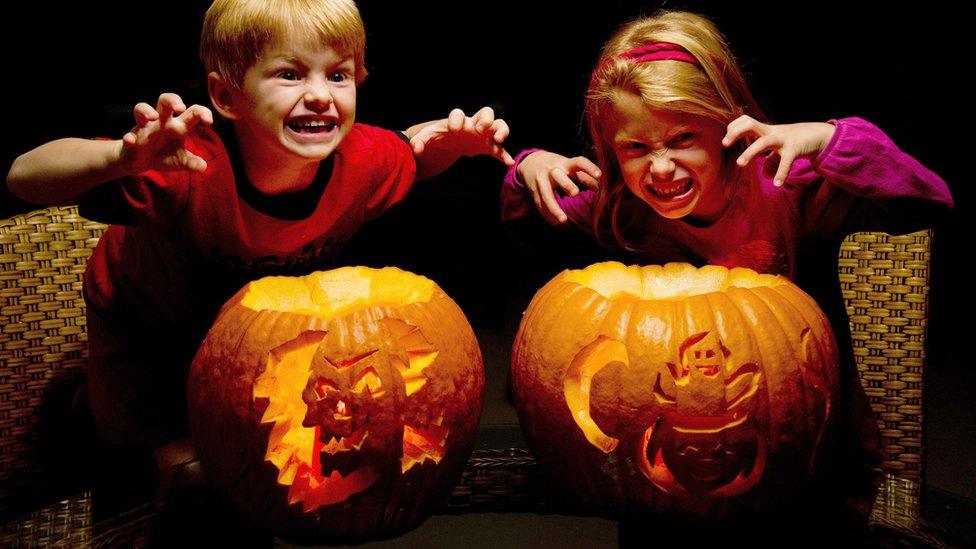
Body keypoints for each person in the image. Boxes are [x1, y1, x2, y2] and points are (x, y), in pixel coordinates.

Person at [6, 0, 511, 492]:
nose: (320, 95)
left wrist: (451, 145)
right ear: (227, 98)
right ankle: (85, 417)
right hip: (149, 333)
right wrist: (118, 157)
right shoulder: (188, 166)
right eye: (290, 74)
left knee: (264, 462)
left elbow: (415, 153)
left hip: (245, 335)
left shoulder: (365, 159)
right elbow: (22, 175)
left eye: (337, 75)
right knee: (187, 481)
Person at [502, 10, 953, 528]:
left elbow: (929, 201)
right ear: (611, 150)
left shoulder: (786, 185)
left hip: (803, 456)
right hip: (664, 462)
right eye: (636, 147)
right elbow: (527, 231)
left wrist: (829, 139)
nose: (661, 167)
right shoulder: (624, 208)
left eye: (682, 139)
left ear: (727, 124)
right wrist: (528, 168)